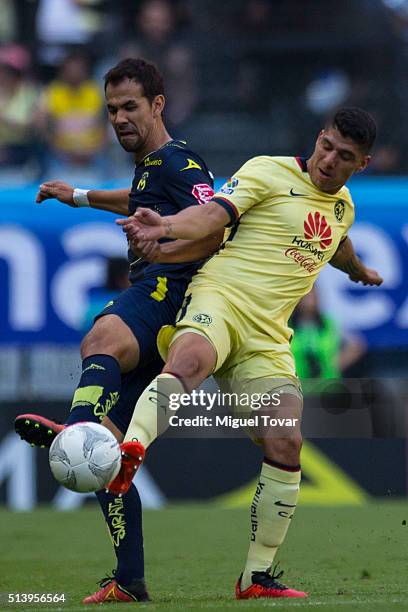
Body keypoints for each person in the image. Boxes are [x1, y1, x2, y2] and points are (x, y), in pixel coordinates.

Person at [111, 107, 383, 599]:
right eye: (327, 147)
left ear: (361, 164)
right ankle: (130, 452)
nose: (329, 161)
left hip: (268, 338)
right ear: (318, 137)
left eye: (345, 157)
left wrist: (357, 270)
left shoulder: (343, 207)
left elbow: (336, 242)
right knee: (189, 362)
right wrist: (167, 226)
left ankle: (254, 578)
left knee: (287, 441)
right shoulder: (266, 170)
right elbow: (213, 215)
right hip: (221, 297)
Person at [15, 57, 221, 603]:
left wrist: (167, 246)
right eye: (111, 110)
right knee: (112, 449)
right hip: (162, 297)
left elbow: (220, 226)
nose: (119, 118)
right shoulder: (151, 167)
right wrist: (78, 196)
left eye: (130, 106)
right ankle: (130, 579)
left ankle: (73, 428)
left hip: (168, 292)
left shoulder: (179, 161)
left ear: (158, 104)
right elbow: (139, 203)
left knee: (99, 339)